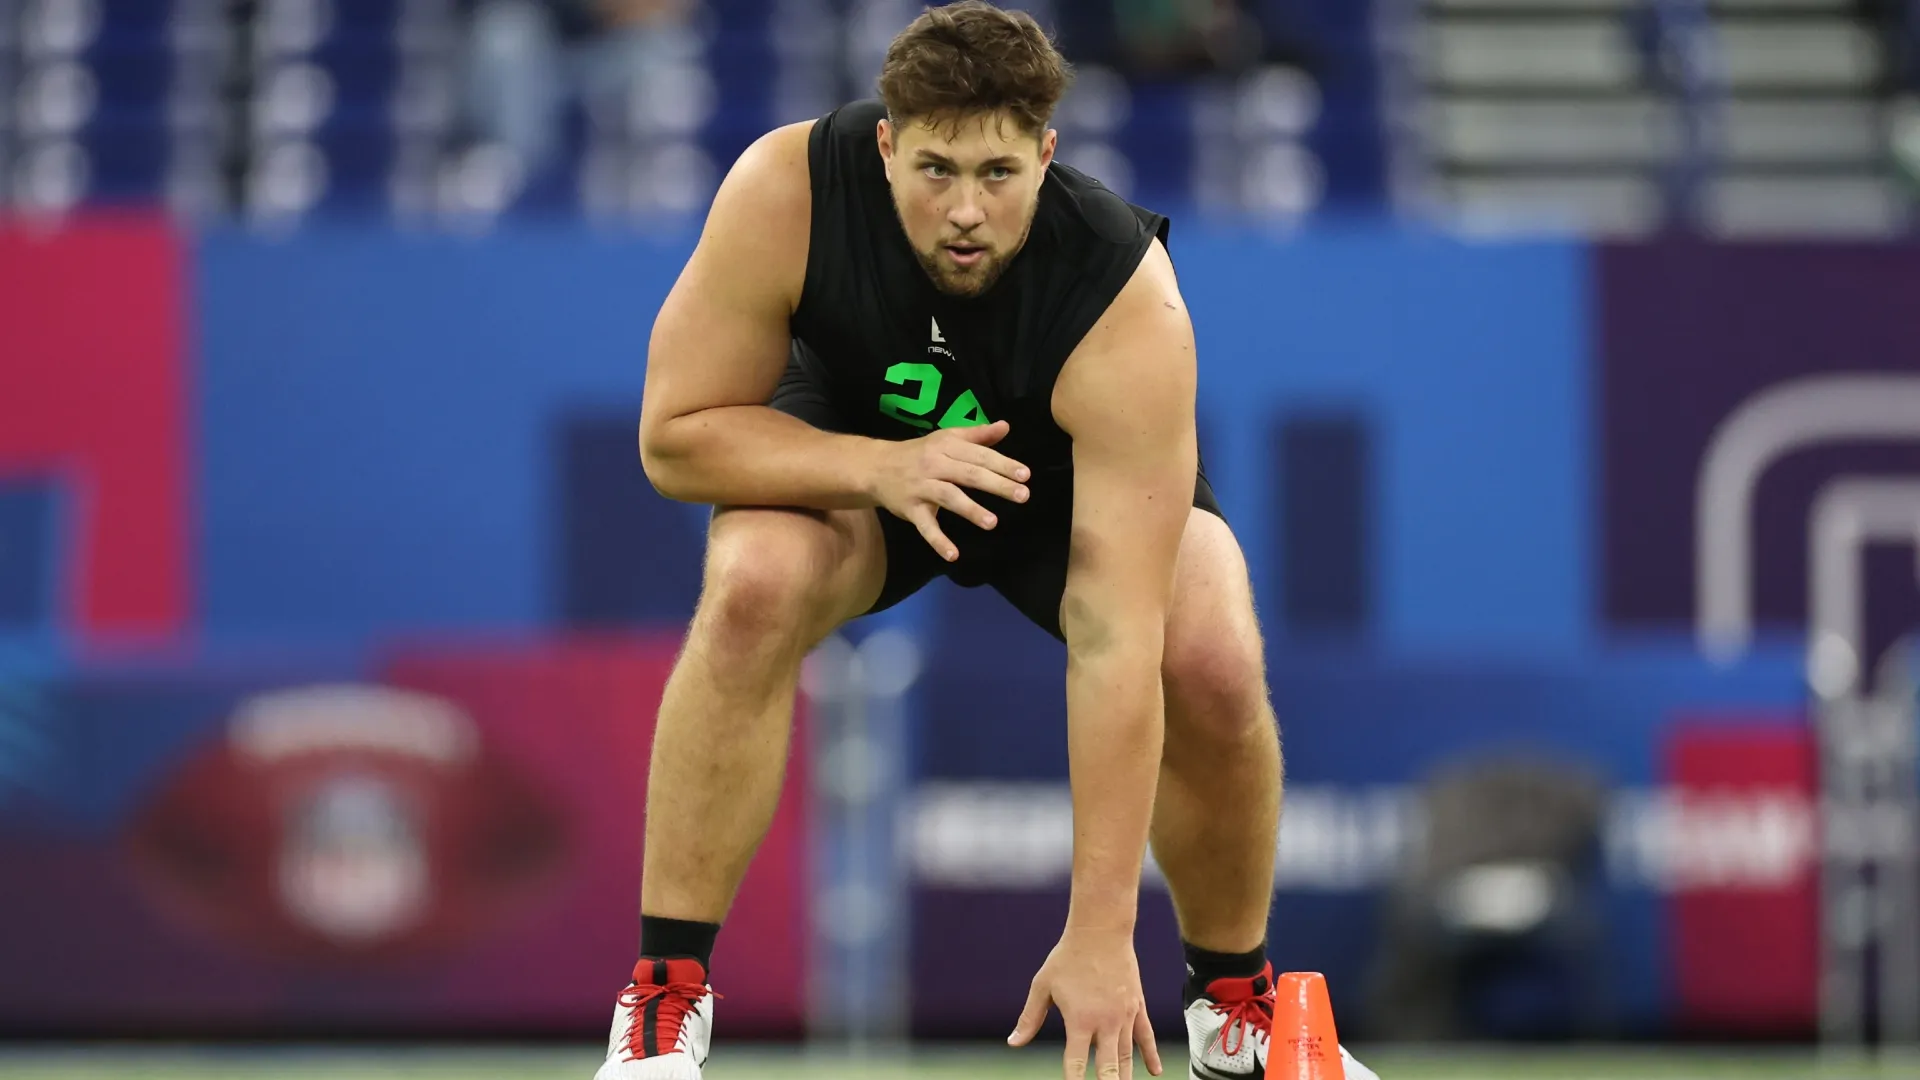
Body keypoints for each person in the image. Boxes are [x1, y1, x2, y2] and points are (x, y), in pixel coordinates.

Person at [596, 3, 1380, 1078]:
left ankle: (1236, 1015)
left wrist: (1101, 931)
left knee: (1207, 644)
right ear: (886, 144)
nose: (965, 210)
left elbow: (1113, 635)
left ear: (1046, 153)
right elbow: (674, 442)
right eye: (934, 171)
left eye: (999, 175)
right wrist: (880, 466)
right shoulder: (786, 190)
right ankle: (662, 1003)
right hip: (858, 457)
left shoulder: (1122, 295)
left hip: (1050, 486)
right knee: (752, 584)